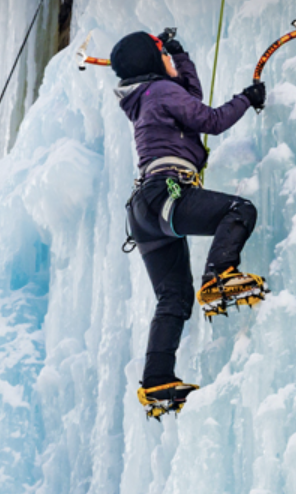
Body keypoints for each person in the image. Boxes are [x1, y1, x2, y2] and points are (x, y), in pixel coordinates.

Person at [111, 28, 268, 417]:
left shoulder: (146, 97)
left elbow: (188, 98)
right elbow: (209, 119)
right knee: (240, 211)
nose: (168, 59)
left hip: (144, 210)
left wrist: (178, 54)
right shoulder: (160, 92)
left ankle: (157, 381)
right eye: (162, 54)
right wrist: (247, 99)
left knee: (174, 298)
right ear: (152, 61)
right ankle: (219, 275)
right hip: (168, 191)